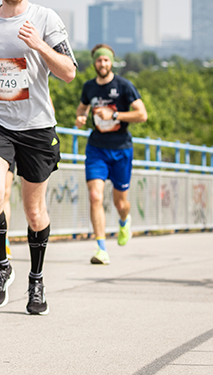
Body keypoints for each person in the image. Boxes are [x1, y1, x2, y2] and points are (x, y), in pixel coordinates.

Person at [0, 0, 76, 316]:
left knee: (35, 211)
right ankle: (2, 265)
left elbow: (68, 72)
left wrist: (39, 45)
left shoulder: (45, 19)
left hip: (36, 126)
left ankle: (36, 278)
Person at [75, 44, 147, 265]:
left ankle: (124, 222)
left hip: (121, 149)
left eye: (106, 60)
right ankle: (101, 249)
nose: (102, 64)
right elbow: (82, 108)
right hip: (97, 148)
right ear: (94, 63)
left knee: (120, 203)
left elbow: (142, 115)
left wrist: (114, 114)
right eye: (98, 60)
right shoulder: (89, 88)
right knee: (95, 196)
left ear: (111, 62)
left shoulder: (124, 86)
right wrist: (81, 118)